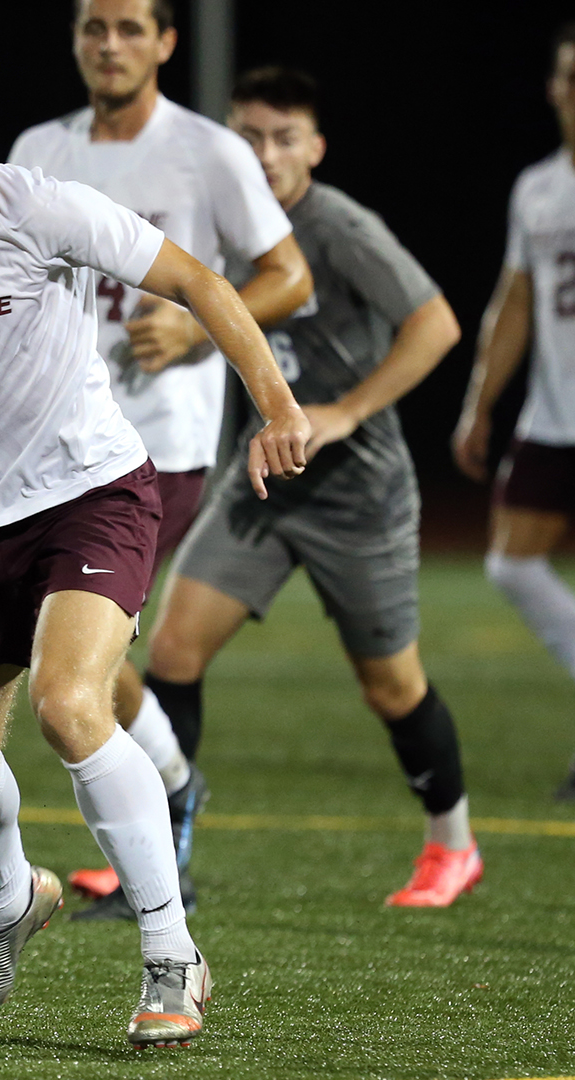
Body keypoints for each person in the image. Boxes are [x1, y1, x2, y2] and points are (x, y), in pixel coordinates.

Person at [0, 17, 309, 1047]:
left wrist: (276, 407)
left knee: (71, 705)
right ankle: (11, 902)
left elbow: (203, 283)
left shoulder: (32, 203)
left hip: (93, 489)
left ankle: (172, 954)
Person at [133, 68, 477, 911]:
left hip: (357, 497)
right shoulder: (216, 227)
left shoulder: (340, 229)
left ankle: (453, 844)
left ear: (315, 149)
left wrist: (346, 411)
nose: (267, 154)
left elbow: (436, 322)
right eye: (250, 136)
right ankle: (153, 854)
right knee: (171, 652)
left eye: (285, 137)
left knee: (390, 686)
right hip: (258, 488)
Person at [5, 0, 314, 909]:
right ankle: (175, 780)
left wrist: (191, 333)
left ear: (167, 43)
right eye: (94, 27)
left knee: (68, 659)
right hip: (45, 442)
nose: (110, 44)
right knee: (57, 643)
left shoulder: (207, 150)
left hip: (157, 449)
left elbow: (285, 272)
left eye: (131, 28)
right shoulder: (37, 148)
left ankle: (169, 804)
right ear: (73, 38)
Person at [454, 21, 575, 803]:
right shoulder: (537, 186)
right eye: (568, 75)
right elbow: (518, 300)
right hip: (553, 419)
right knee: (510, 561)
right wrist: (479, 404)